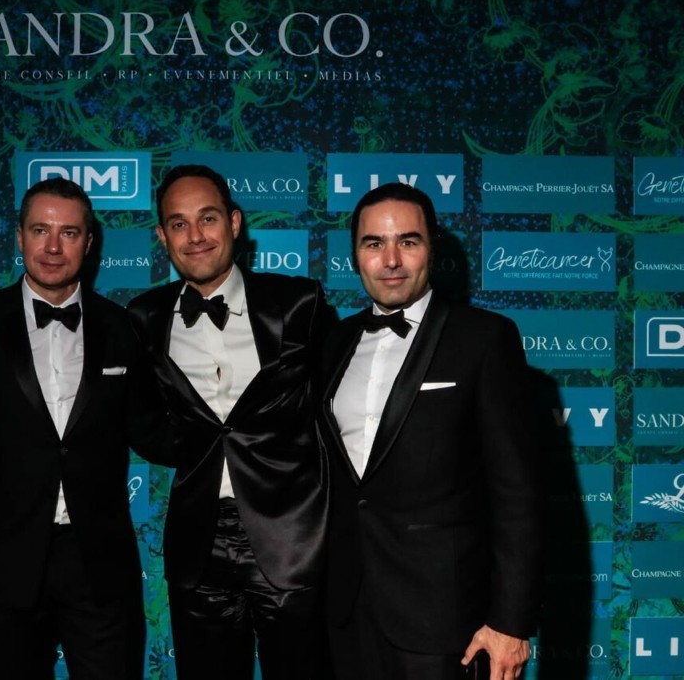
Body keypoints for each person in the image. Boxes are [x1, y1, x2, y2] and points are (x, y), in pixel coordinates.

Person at [317, 182, 542, 680]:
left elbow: (518, 493)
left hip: (446, 619)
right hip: (347, 612)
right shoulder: (335, 341)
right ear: (355, 255)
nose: (391, 260)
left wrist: (510, 623)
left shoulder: (485, 338)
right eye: (374, 243)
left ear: (432, 248)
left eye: (408, 241)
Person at [0, 177, 160, 679]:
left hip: (98, 562)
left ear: (89, 242)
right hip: (3, 563)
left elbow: (153, 429)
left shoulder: (124, 328)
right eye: (40, 230)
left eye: (69, 233)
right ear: (19, 236)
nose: (52, 247)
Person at [127, 164, 332, 680]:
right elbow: (139, 417)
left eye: (208, 218)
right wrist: (195, 448)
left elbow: (334, 410)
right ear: (162, 236)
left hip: (291, 535)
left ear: (235, 223)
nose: (195, 236)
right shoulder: (144, 317)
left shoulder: (298, 304)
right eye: (178, 224)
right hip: (198, 542)